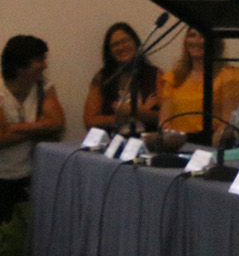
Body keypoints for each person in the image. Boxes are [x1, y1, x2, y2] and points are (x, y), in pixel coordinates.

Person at [1, 36, 66, 221]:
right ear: (20, 65)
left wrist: (12, 128)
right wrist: (39, 128)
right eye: (40, 60)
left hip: (32, 175)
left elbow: (57, 122)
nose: (45, 65)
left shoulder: (44, 87)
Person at [157, 28, 239, 142]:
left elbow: (229, 122)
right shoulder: (174, 77)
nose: (196, 41)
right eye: (192, 35)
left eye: (202, 36)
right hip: (176, 142)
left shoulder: (229, 77)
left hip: (212, 143)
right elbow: (164, 121)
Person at [82, 21, 159, 131]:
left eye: (125, 41)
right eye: (115, 45)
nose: (121, 47)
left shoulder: (155, 74)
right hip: (112, 143)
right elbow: (89, 121)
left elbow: (165, 118)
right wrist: (121, 118)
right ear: (109, 51)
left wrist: (136, 112)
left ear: (136, 43)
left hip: (147, 144)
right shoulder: (103, 77)